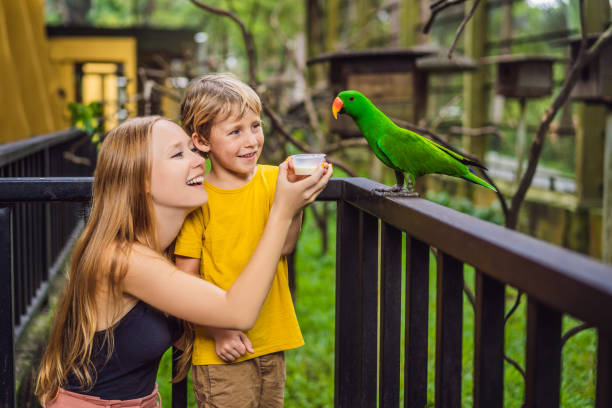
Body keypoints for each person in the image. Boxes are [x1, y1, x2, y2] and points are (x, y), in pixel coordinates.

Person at [35, 115, 332, 407]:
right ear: (141, 181)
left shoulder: (162, 249)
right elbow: (238, 312)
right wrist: (281, 210)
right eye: (177, 154)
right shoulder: (121, 258)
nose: (198, 161)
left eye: (192, 149)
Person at [175, 73, 308, 407]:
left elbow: (286, 245)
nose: (251, 140)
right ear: (202, 141)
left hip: (270, 339)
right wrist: (217, 330)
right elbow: (183, 282)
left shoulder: (273, 178)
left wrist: (297, 200)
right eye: (235, 131)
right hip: (222, 349)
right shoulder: (198, 198)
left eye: (256, 126)